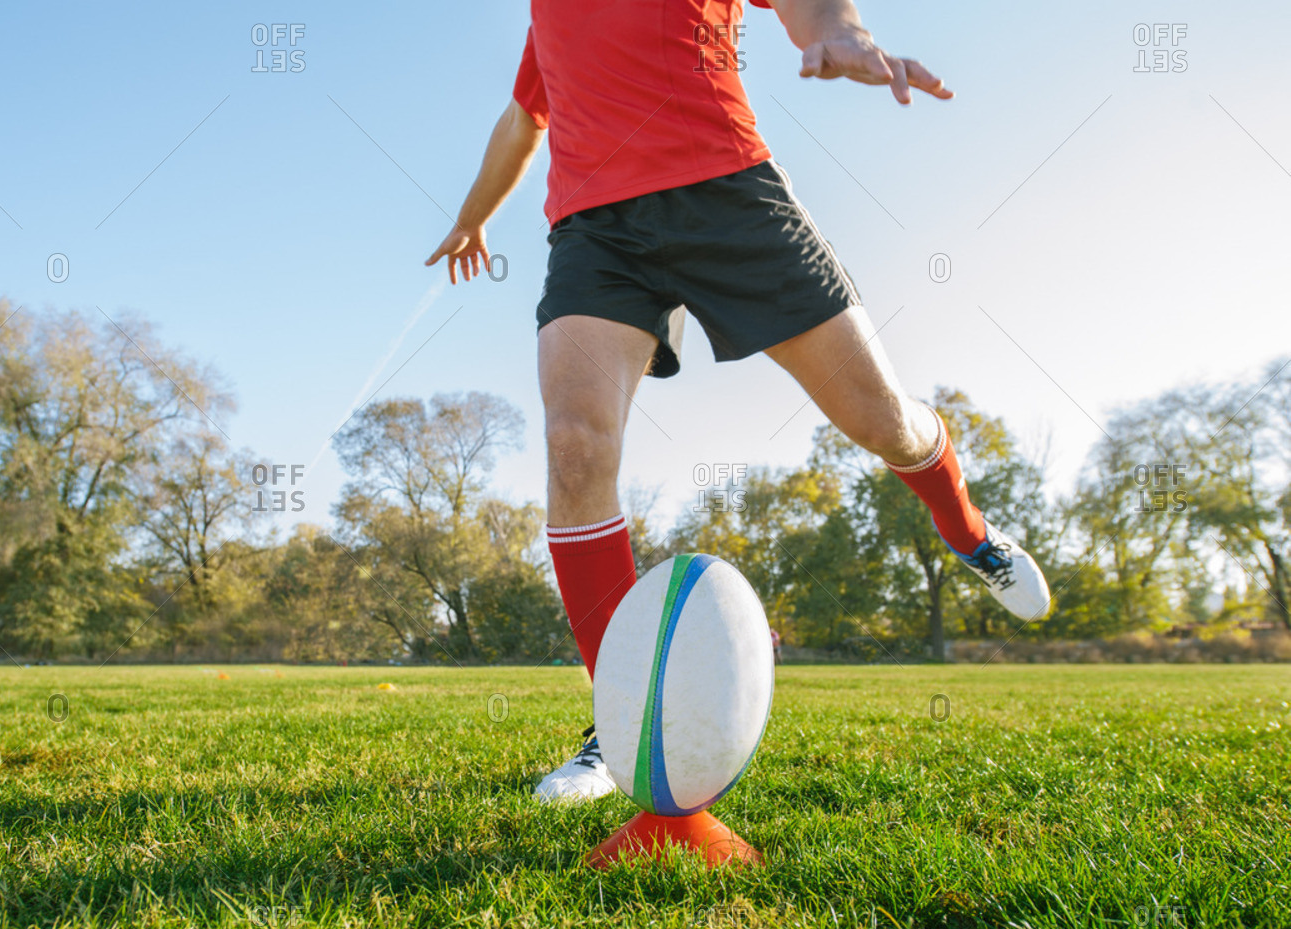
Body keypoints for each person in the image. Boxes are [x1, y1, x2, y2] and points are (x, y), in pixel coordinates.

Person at [426, 0, 1051, 801]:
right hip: (595, 233)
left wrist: (839, 32)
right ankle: (621, 722)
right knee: (575, 446)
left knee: (882, 421)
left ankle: (969, 532)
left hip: (726, 195)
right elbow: (524, 117)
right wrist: (473, 219)